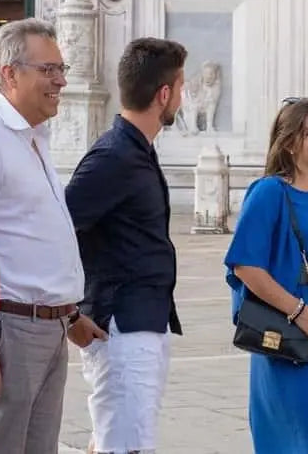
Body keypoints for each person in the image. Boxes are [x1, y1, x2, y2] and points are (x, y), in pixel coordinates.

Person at [0, 19, 106, 454]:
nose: (61, 80)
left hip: (49, 327)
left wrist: (70, 315)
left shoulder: (35, 136)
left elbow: (29, 236)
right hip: (9, 330)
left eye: (62, 68)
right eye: (48, 69)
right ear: (10, 74)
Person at [65, 38, 187, 454]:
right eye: (181, 87)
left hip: (144, 321)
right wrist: (71, 313)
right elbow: (61, 228)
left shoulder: (137, 152)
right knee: (125, 447)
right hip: (120, 327)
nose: (182, 97)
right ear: (164, 94)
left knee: (121, 442)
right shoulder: (114, 157)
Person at [224, 97, 308, 454]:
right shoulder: (269, 192)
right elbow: (245, 265)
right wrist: (299, 310)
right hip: (287, 325)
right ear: (289, 142)